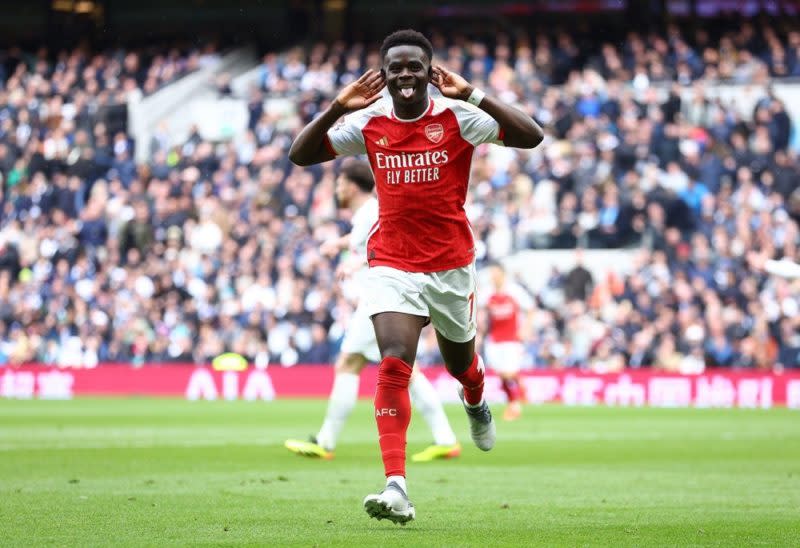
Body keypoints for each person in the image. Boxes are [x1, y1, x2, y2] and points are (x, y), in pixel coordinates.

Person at [289, 29, 544, 524]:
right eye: (395, 68)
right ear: (383, 77)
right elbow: (301, 154)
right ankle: (396, 487)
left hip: (450, 265)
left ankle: (476, 400)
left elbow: (532, 136)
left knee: (460, 366)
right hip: (391, 262)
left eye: (414, 66)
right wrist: (337, 106)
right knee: (393, 363)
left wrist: (473, 92)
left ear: (429, 72)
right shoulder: (368, 123)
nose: (405, 74)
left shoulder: (458, 117)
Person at [284, 160, 461, 462]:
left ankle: (325, 442)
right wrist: (339, 245)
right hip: (385, 299)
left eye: (339, 183)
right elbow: (367, 240)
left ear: (351, 186)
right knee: (408, 373)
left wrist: (358, 261)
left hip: (379, 300)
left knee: (348, 363)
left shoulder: (369, 214)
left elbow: (388, 244)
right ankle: (446, 439)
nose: (336, 189)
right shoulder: (368, 214)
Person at [479, 263, 534, 421]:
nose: (493, 277)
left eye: (495, 273)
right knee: (501, 374)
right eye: (491, 274)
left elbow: (531, 308)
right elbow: (480, 309)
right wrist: (481, 325)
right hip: (493, 339)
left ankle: (514, 404)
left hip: (512, 339)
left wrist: (526, 328)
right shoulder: (487, 292)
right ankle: (516, 394)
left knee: (507, 373)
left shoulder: (515, 291)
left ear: (503, 274)